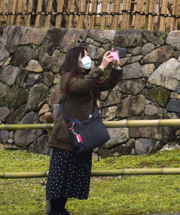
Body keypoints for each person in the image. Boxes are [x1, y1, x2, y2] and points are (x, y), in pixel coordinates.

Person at [44, 46, 122, 215]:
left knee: (71, 177)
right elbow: (80, 86)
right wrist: (101, 67)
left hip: (82, 137)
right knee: (61, 177)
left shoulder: (88, 79)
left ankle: (61, 210)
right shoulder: (67, 77)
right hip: (66, 136)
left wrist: (115, 68)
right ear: (75, 60)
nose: (88, 58)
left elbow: (106, 83)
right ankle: (55, 211)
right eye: (84, 56)